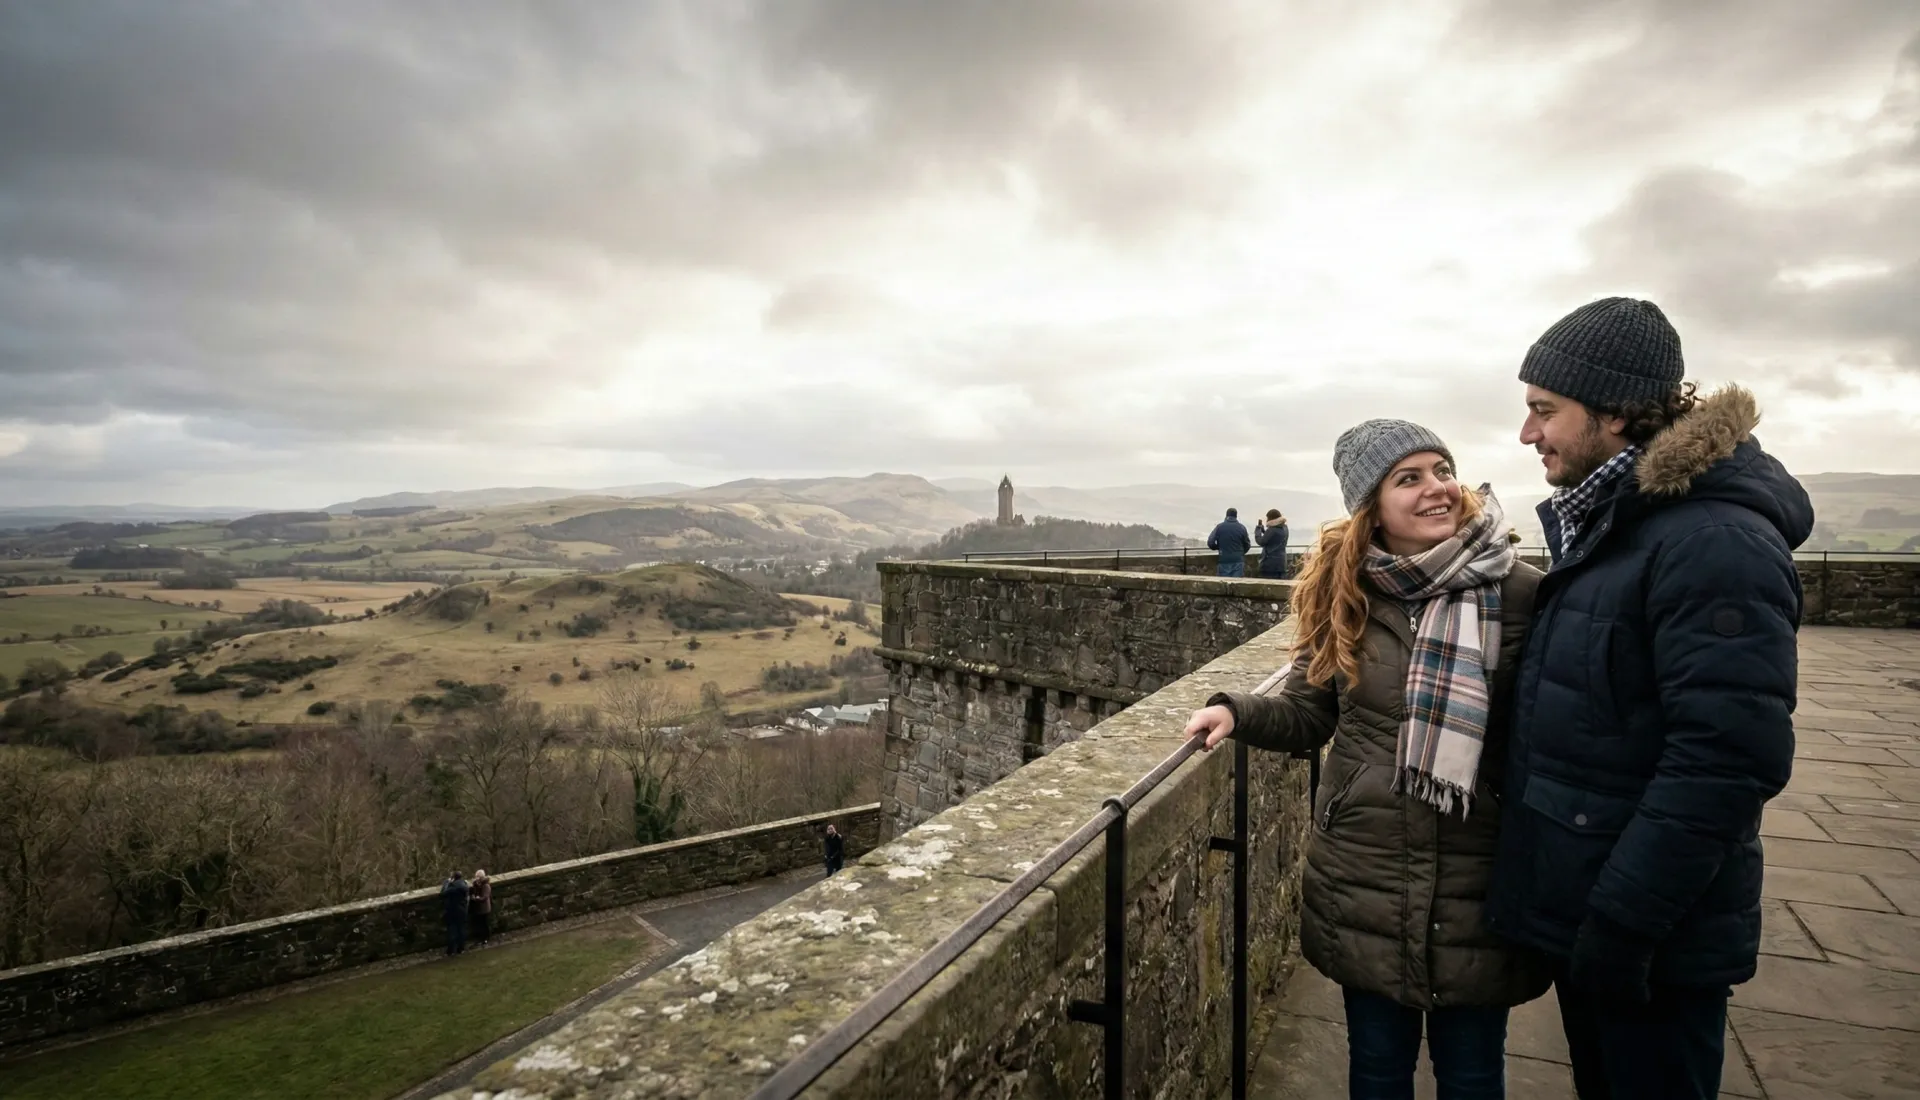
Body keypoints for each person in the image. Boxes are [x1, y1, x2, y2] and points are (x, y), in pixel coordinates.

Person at [1487, 297, 1811, 1100]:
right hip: (1600, 914)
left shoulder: (1713, 542)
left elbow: (1728, 760)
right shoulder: (1623, 522)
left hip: (1647, 934)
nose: (1527, 434)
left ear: (1615, 413)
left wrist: (1623, 922)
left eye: (1544, 411)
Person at [1186, 419, 1549, 1100]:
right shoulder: (1345, 593)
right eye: (1409, 479)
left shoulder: (1521, 592)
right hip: (1366, 871)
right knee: (1377, 1071)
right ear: (1371, 507)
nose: (1437, 488)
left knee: (1473, 1074)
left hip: (1480, 871)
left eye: (1442, 470)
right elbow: (1308, 712)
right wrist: (1236, 711)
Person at [1207, 507, 1252, 577]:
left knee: (1223, 583)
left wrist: (1219, 547)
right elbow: (1247, 545)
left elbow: (1210, 542)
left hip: (1224, 560)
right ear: (1236, 516)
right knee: (1237, 583)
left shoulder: (1219, 527)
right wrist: (1240, 553)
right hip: (1238, 561)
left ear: (1226, 515)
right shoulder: (1242, 528)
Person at [440, 871, 470, 957]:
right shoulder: (464, 884)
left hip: (453, 911)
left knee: (452, 930)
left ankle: (451, 950)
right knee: (461, 929)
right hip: (463, 910)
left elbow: (443, 893)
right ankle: (461, 948)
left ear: (453, 878)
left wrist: (446, 883)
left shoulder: (453, 887)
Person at [1255, 508, 1290, 579]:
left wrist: (1258, 530)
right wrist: (1264, 531)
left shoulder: (1272, 530)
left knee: (1268, 583)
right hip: (1281, 562)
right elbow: (1274, 538)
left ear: (1271, 518)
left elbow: (1261, 542)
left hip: (1270, 564)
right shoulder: (1285, 528)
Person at [469, 869, 493, 948]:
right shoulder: (475, 885)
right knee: (479, 924)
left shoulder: (486, 885)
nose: (476, 878)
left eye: (477, 877)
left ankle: (486, 938)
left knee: (484, 924)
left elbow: (485, 897)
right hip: (478, 908)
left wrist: (477, 898)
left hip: (484, 908)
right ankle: (480, 938)